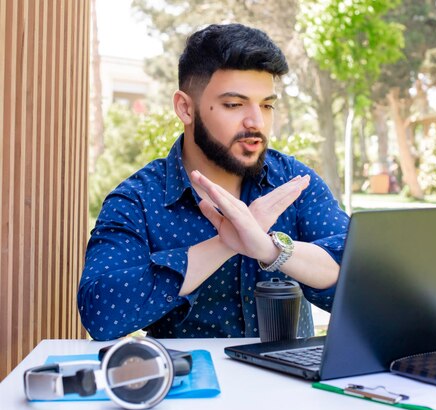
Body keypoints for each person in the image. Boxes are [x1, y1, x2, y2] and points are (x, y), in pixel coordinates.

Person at [78, 23, 350, 341]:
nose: (256, 122)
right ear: (185, 108)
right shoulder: (138, 199)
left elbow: (358, 278)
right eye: (234, 105)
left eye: (267, 105)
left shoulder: (292, 182)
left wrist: (270, 248)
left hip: (292, 387)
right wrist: (224, 244)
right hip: (188, 386)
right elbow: (102, 314)